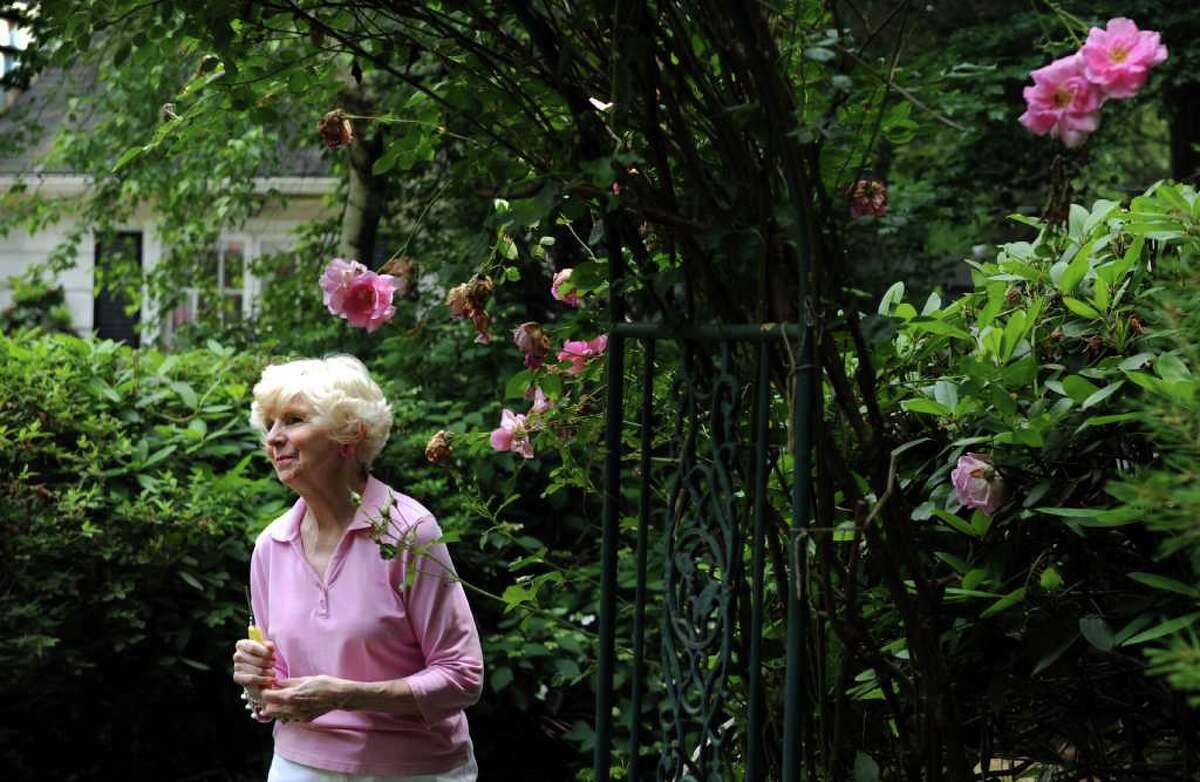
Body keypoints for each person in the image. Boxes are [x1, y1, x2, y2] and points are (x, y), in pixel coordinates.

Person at [232, 355, 483, 781]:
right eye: (270, 424)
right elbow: (278, 690)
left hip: (411, 770)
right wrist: (258, 682)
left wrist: (348, 696)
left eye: (293, 420)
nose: (273, 438)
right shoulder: (271, 545)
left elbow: (462, 676)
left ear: (349, 436)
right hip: (298, 766)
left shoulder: (409, 532)